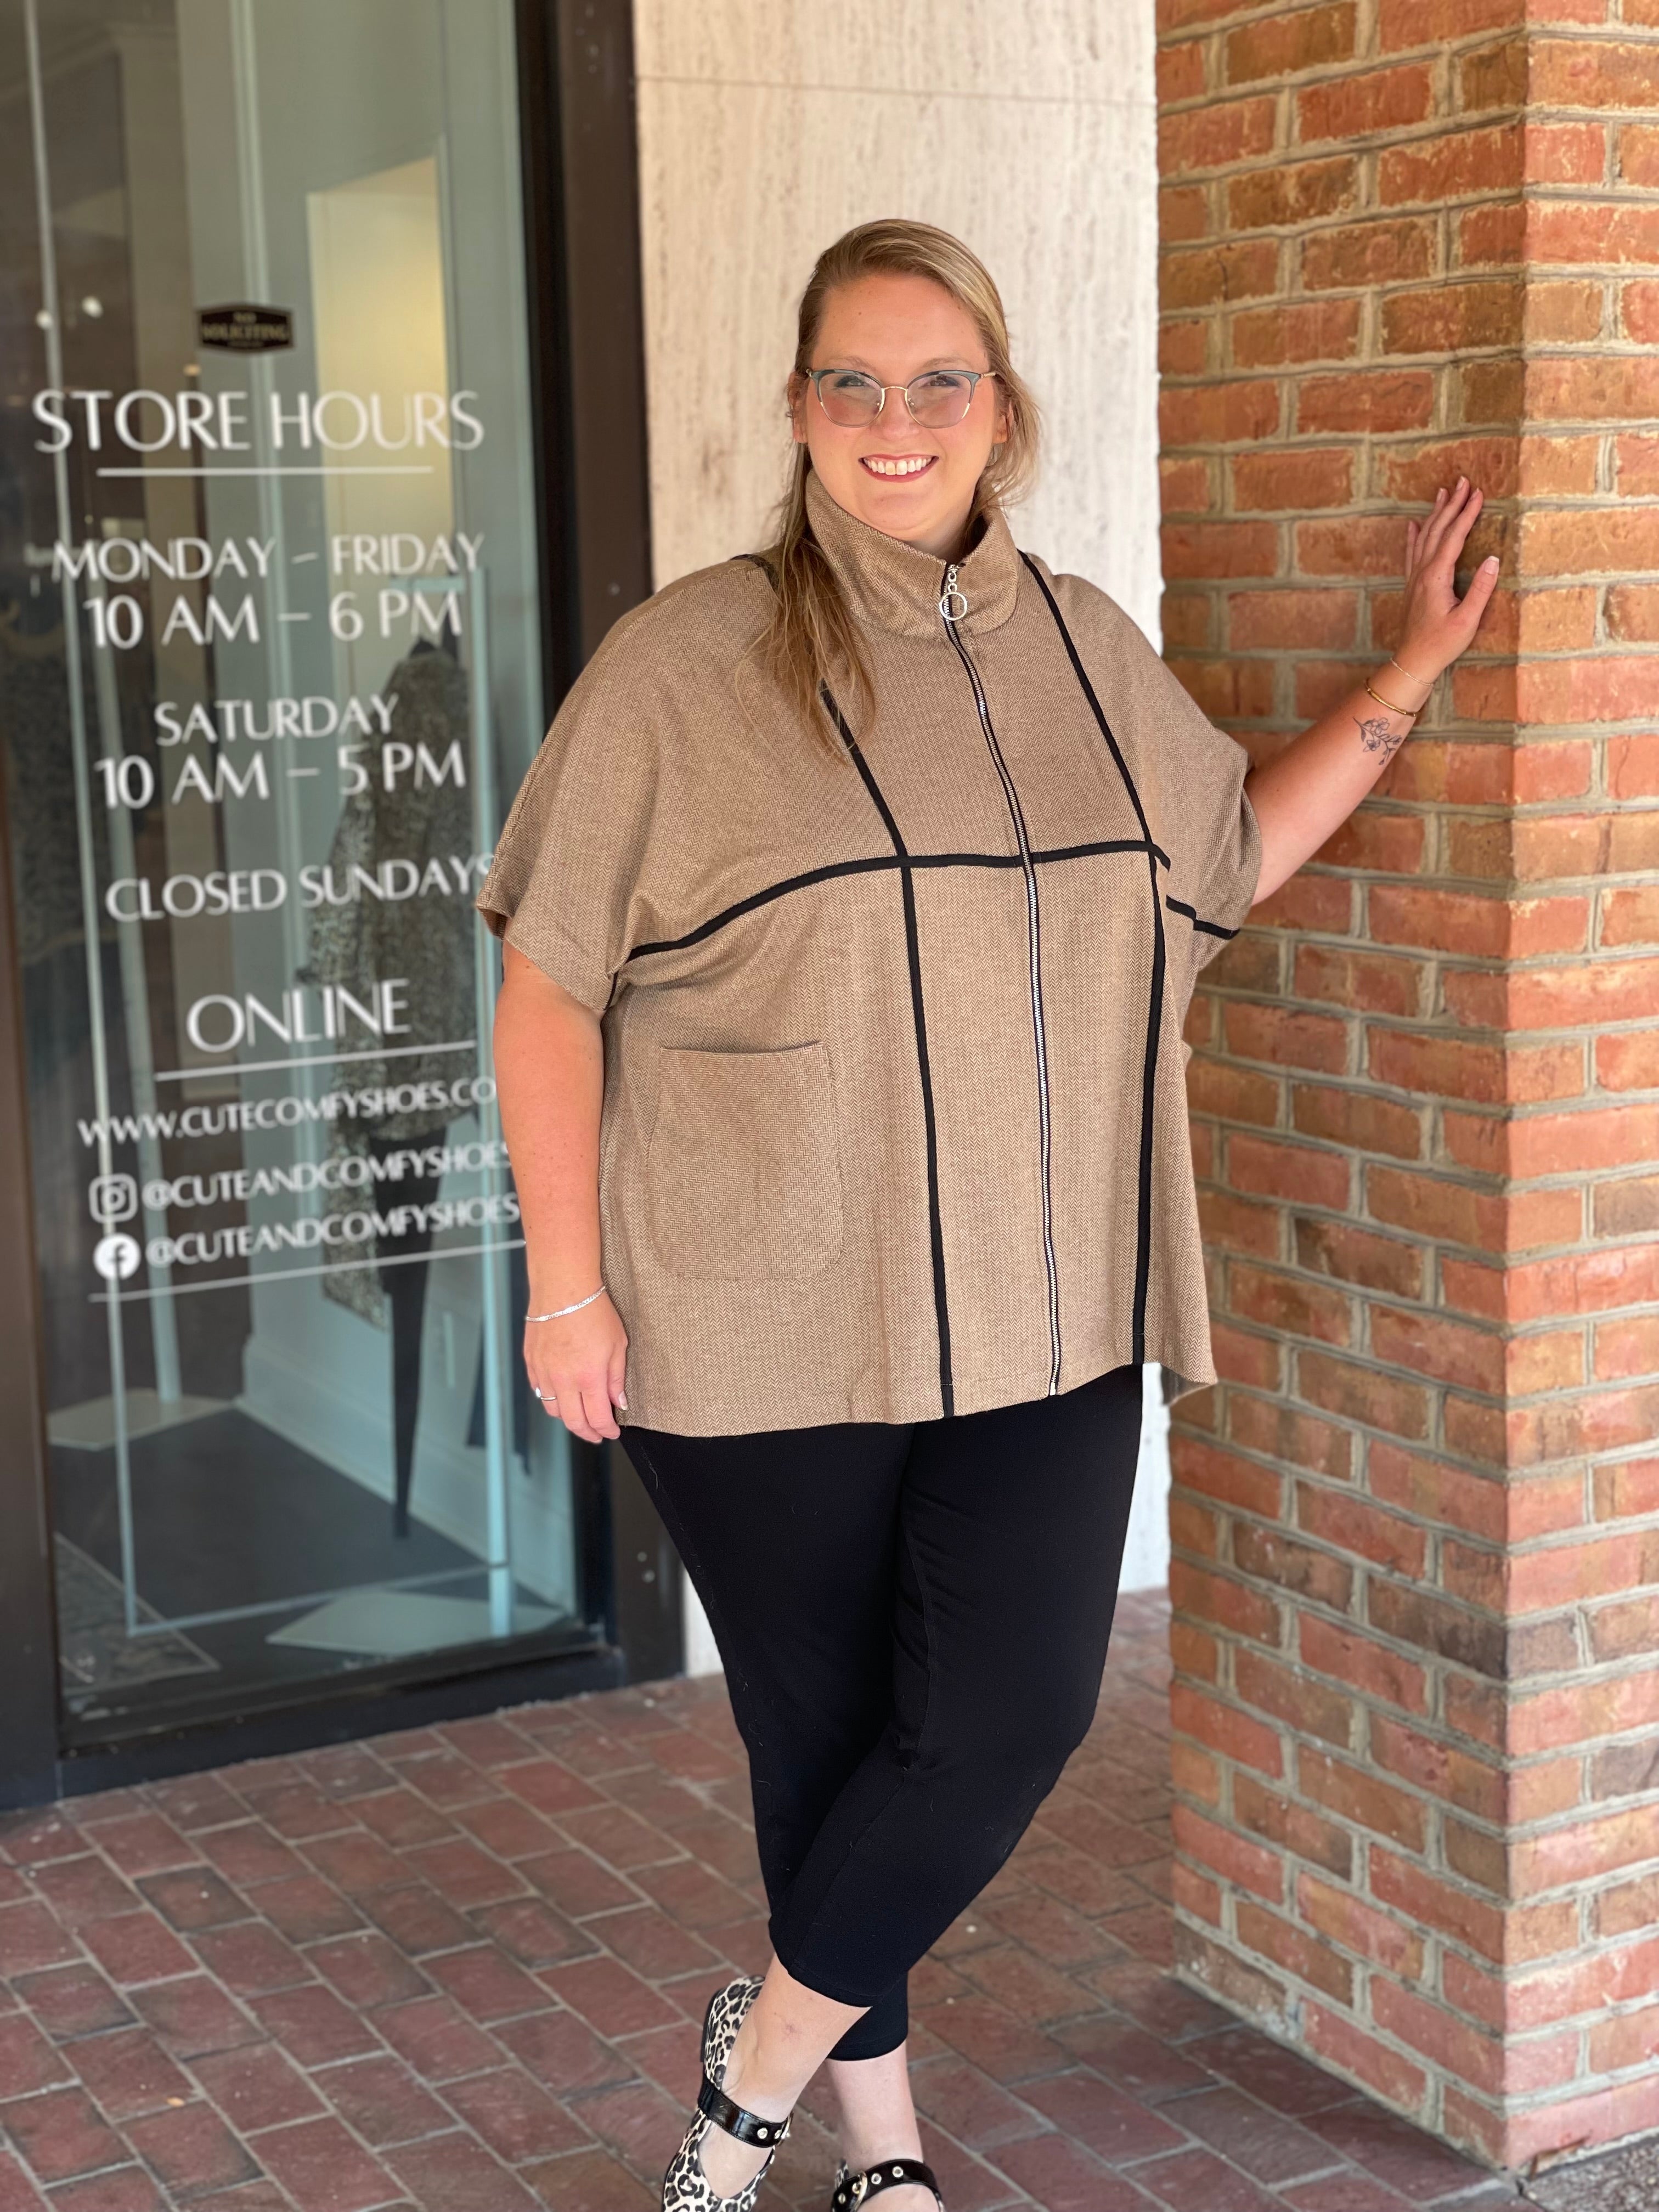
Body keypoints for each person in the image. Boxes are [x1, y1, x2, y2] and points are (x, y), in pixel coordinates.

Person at [478, 219, 1497, 2212]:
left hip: (1045, 1298)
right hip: (757, 1308)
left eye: (939, 379)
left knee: (1011, 1718)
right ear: (798, 410)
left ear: (1000, 408)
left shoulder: (1085, 651)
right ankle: (884, 2161)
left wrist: (1405, 680)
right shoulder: (685, 665)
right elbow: (547, 983)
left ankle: (746, 2091)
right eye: (852, 382)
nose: (897, 419)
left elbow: (1219, 861)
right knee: (828, 1738)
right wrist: (565, 1285)